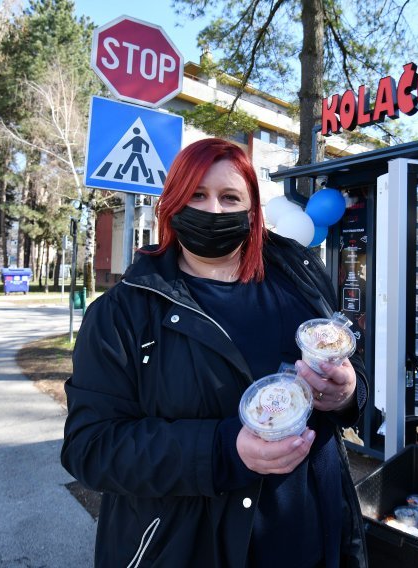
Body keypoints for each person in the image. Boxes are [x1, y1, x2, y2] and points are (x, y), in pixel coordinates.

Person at [61, 138, 369, 568]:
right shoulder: (123, 313)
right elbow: (91, 448)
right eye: (196, 196)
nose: (214, 211)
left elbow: (351, 362)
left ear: (253, 210)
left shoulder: (298, 274)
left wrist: (349, 393)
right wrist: (225, 452)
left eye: (230, 197)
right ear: (171, 205)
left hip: (315, 536)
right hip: (190, 548)